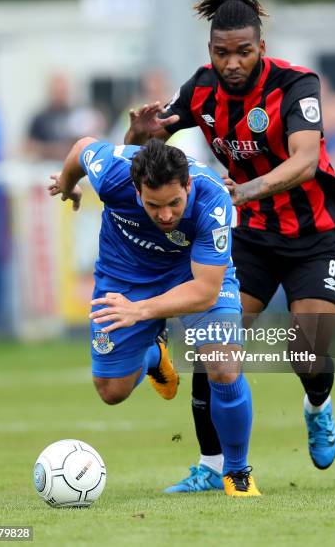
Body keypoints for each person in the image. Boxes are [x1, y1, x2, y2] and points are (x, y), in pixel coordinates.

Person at [124, 0, 335, 492]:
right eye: (222, 53)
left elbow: (303, 161)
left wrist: (246, 191)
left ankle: (317, 403)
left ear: (261, 49)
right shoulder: (200, 89)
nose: (232, 63)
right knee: (215, 347)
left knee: (306, 352)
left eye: (244, 52)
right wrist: (138, 132)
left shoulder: (297, 85)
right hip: (250, 236)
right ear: (210, 51)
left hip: (316, 234)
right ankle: (210, 468)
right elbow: (143, 156)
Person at [48, 136, 260, 497]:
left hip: (192, 273)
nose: (165, 215)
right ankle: (153, 355)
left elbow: (205, 292)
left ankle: (236, 472)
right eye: (153, 205)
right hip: (124, 275)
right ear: (135, 188)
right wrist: (69, 187)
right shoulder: (112, 170)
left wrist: (141, 311)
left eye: (175, 203)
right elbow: (82, 148)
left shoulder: (213, 200)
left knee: (223, 364)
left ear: (188, 185)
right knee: (111, 391)